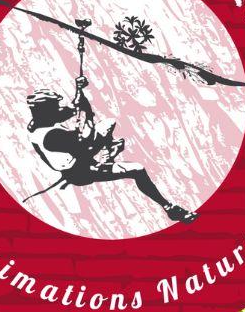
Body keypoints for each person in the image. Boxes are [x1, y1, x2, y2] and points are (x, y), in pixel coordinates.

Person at [24, 76, 196, 222]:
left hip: (75, 157)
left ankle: (109, 153)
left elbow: (71, 108)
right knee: (137, 169)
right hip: (80, 171)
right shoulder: (52, 137)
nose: (60, 109)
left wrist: (79, 90)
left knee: (108, 123)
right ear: (46, 111)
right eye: (56, 107)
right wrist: (87, 110)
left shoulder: (38, 123)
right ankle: (169, 208)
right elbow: (87, 139)